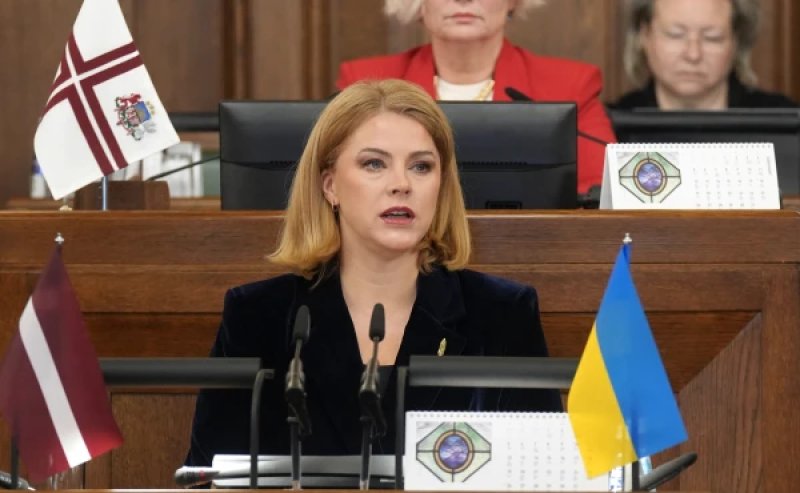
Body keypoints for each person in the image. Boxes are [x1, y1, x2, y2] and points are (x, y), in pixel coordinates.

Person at [185, 79, 562, 466]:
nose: (401, 184)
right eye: (374, 164)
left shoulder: (502, 312)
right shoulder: (257, 316)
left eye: (421, 166)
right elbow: (207, 476)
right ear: (330, 186)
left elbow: (542, 472)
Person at [336, 0, 616, 196]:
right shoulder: (366, 82)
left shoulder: (569, 85)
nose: (463, 0)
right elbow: (339, 182)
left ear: (513, 2)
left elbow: (602, 188)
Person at [613, 0, 797, 109]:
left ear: (736, 42)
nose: (693, 55)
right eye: (675, 35)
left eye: (712, 38)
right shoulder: (610, 127)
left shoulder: (785, 121)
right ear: (644, 35)